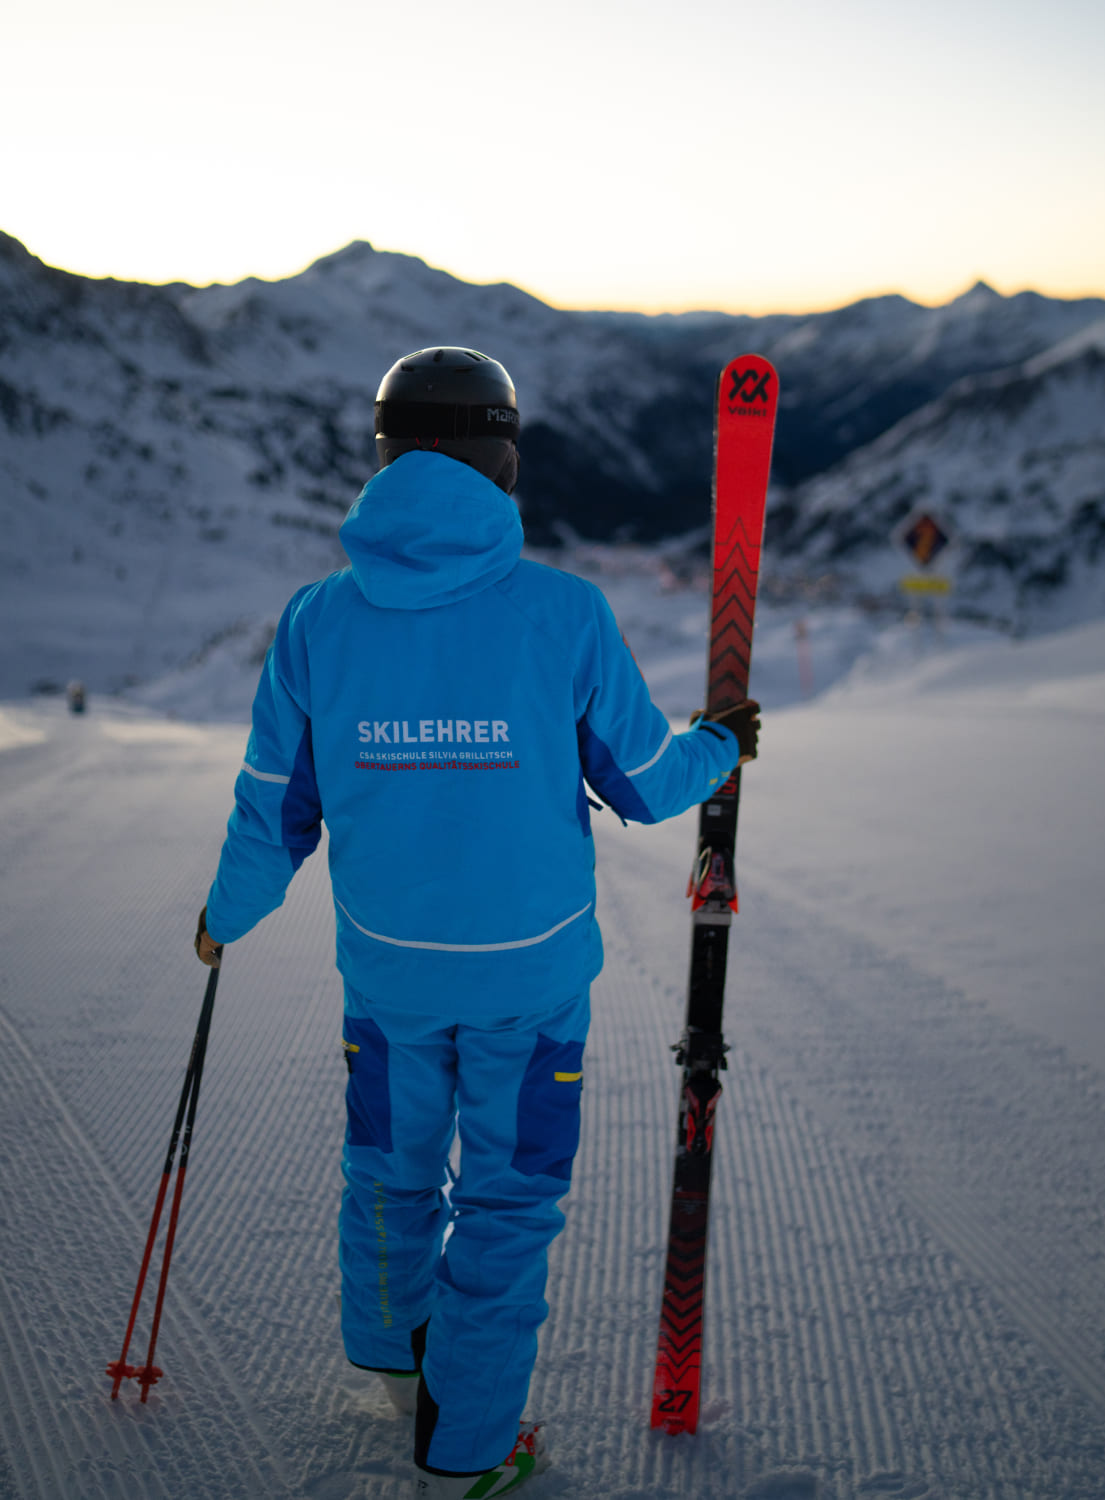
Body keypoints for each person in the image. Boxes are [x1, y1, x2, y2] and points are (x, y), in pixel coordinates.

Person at [194, 347, 760, 1499]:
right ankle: (465, 1447)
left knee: (392, 1167)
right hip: (528, 976)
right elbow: (649, 781)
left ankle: (401, 1367)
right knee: (507, 1197)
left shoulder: (317, 622)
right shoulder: (562, 613)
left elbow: (274, 802)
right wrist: (722, 744)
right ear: (503, 457)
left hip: (391, 975)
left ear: (387, 455)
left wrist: (225, 916)